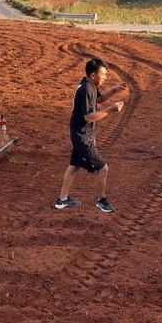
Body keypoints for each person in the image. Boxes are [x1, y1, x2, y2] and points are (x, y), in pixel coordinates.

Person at [56, 57, 127, 213]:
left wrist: (114, 90)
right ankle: (101, 200)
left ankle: (62, 200)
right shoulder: (86, 89)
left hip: (80, 134)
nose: (105, 77)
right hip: (82, 137)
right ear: (93, 75)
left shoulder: (90, 85)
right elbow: (88, 117)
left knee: (74, 166)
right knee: (103, 168)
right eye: (103, 74)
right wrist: (110, 110)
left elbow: (98, 99)